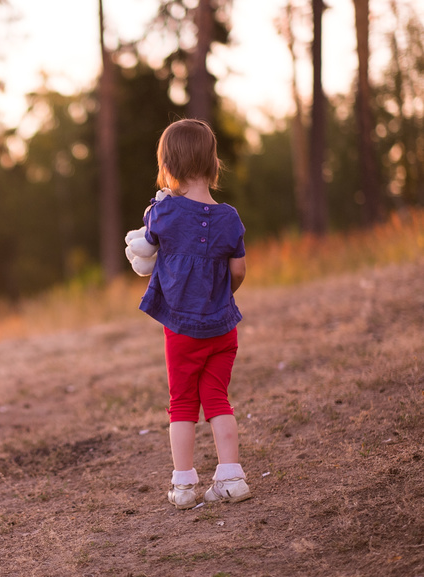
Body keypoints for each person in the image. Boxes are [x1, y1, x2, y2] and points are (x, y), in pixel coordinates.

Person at [134, 118, 250, 510]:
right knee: (218, 398)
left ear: (167, 167)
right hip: (222, 327)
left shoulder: (163, 213)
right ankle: (231, 476)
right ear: (214, 164)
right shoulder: (230, 218)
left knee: (182, 402)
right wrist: (220, 296)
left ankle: (183, 485)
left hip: (181, 330)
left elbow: (144, 249)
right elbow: (238, 271)